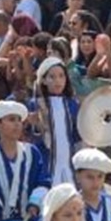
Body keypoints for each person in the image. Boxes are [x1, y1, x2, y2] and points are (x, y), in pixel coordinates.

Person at [28, 57, 80, 185]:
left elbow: (76, 134)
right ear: (44, 80)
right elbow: (33, 136)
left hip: (69, 159)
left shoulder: (72, 104)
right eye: (52, 77)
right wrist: (35, 125)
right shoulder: (36, 104)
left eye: (61, 76)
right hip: (46, 160)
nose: (58, 81)